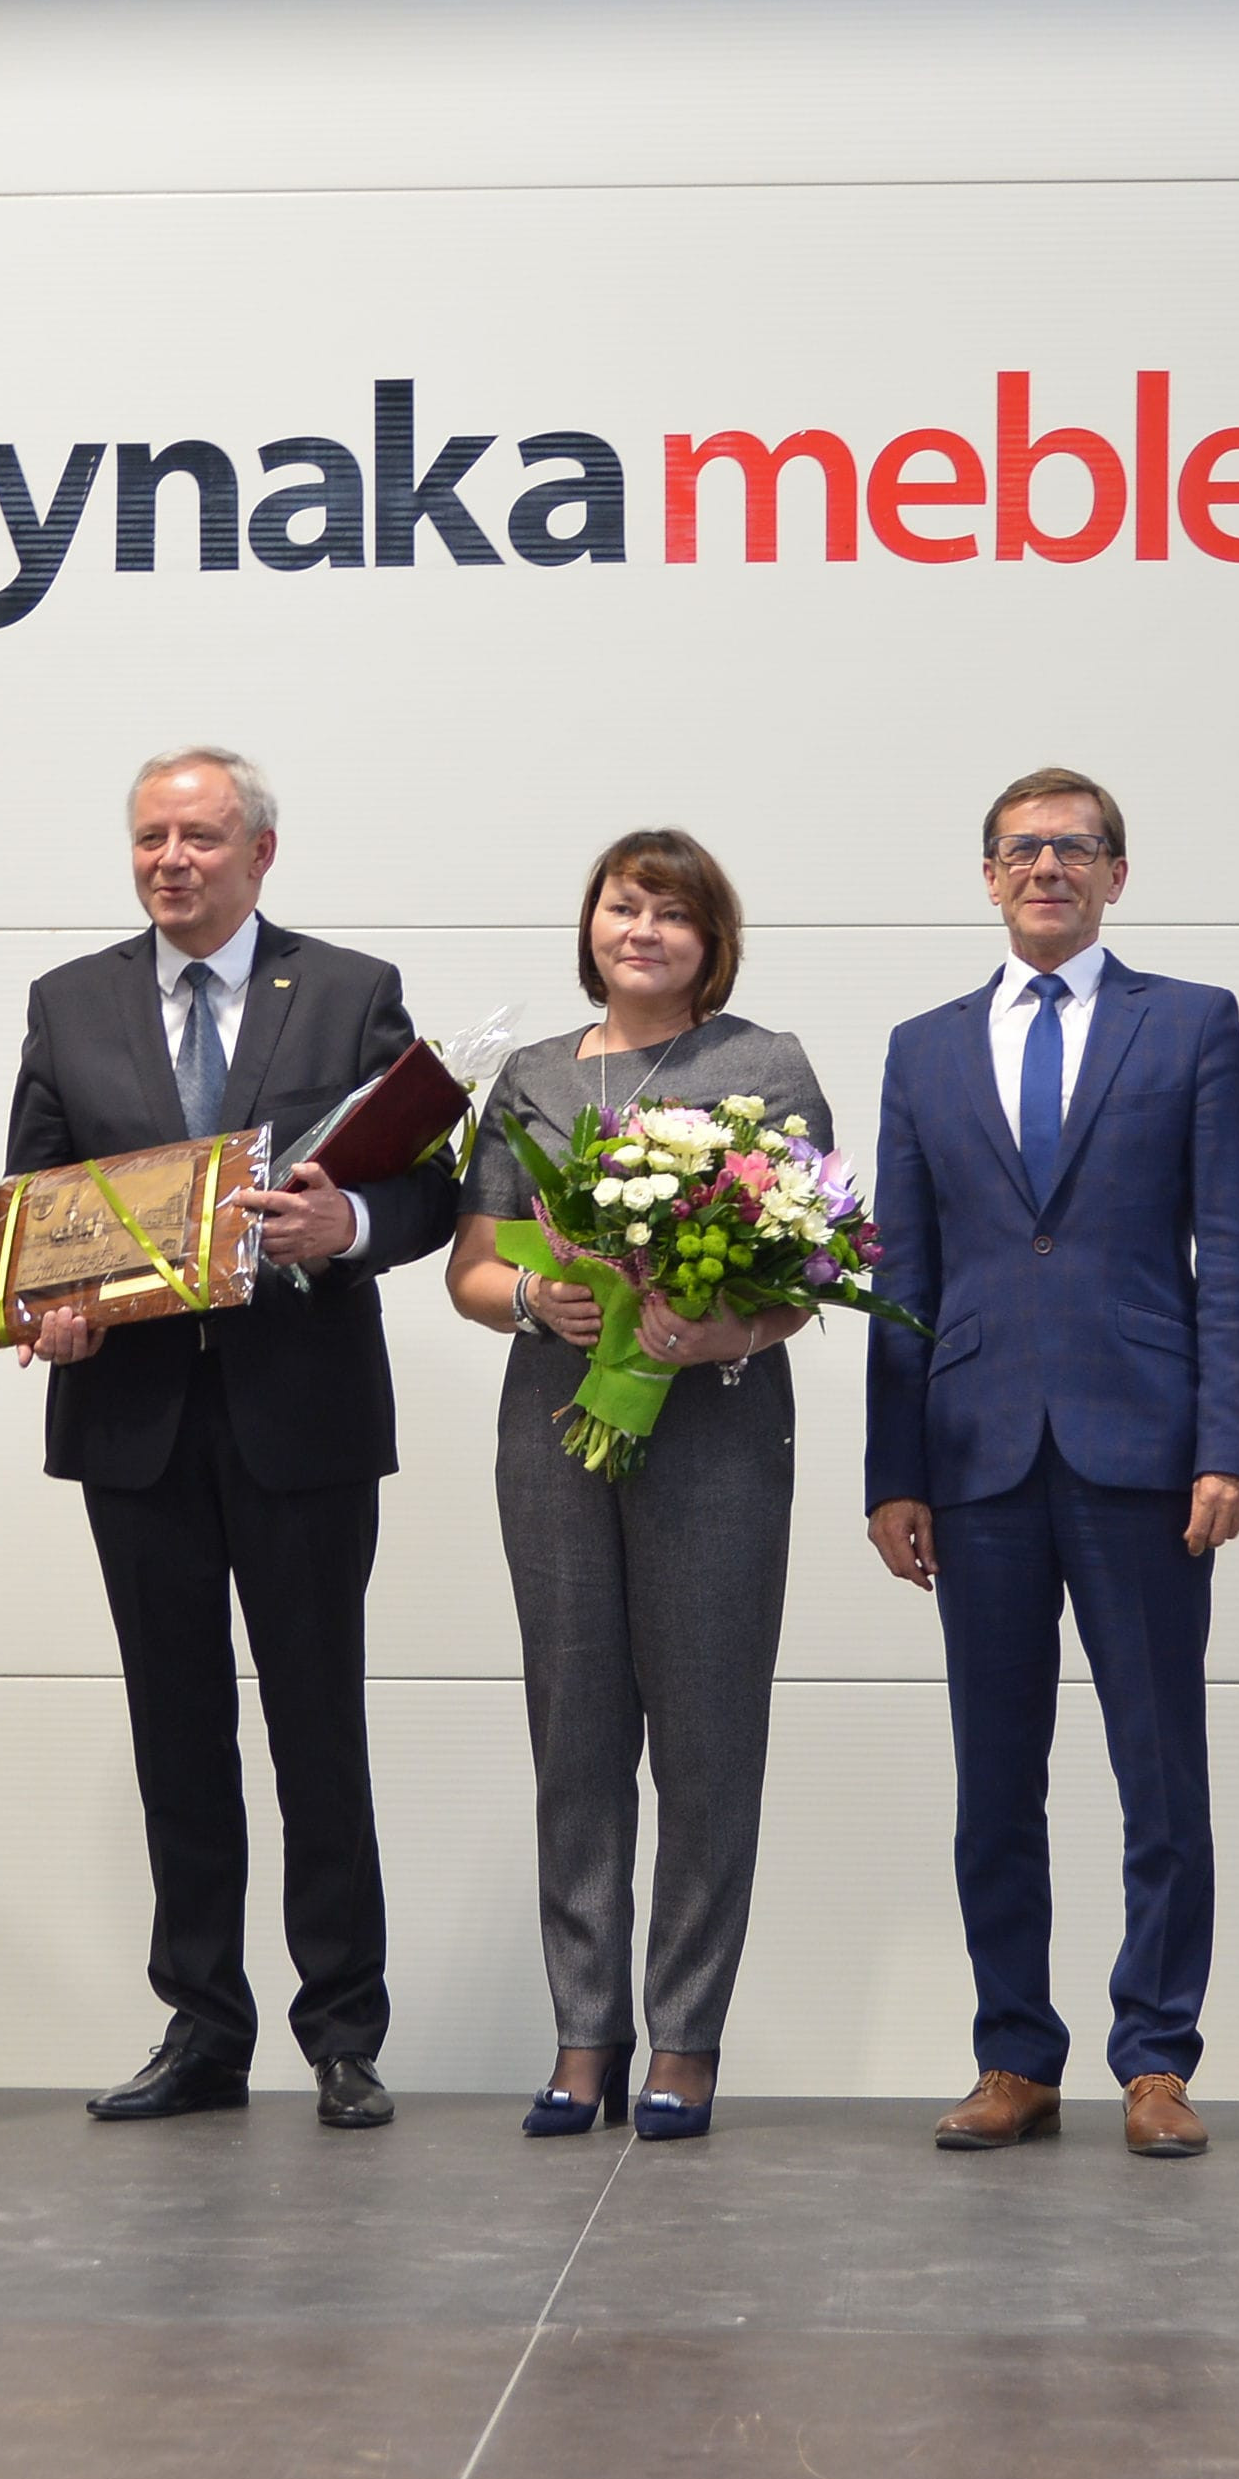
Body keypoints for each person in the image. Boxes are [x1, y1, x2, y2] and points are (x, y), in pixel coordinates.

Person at [5, 747, 462, 2129]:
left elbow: (430, 1188)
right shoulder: (69, 1001)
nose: (171, 861)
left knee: (318, 1727)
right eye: (151, 836)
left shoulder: (349, 990)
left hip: (302, 1419)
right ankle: (203, 2026)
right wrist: (47, 1303)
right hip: (132, 1423)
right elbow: (32, 1205)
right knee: (177, 1732)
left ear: (261, 853)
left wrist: (349, 1225)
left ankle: (344, 2034)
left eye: (200, 837)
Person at [865, 766, 1239, 2162]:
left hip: (1146, 1451)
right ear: (989, 877)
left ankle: (1156, 2059)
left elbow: (1235, 1252)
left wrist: (1232, 1442)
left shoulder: (1194, 1025)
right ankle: (1014, 2057)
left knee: (1160, 1768)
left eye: (1076, 848)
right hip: (974, 1458)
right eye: (1023, 849)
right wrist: (893, 1471)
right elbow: (902, 1274)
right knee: (997, 1778)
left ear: (1116, 874)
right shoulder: (923, 1049)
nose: (1049, 867)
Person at [447, 831, 832, 2142]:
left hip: (717, 1432)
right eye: (623, 907)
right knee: (576, 1735)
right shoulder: (534, 1078)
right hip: (555, 1430)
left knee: (709, 1742)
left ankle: (686, 2039)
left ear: (711, 940)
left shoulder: (764, 1066)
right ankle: (583, 2035)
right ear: (591, 927)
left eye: (672, 913)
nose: (643, 931)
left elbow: (814, 1267)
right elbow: (470, 1267)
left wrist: (723, 1328)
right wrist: (533, 1297)